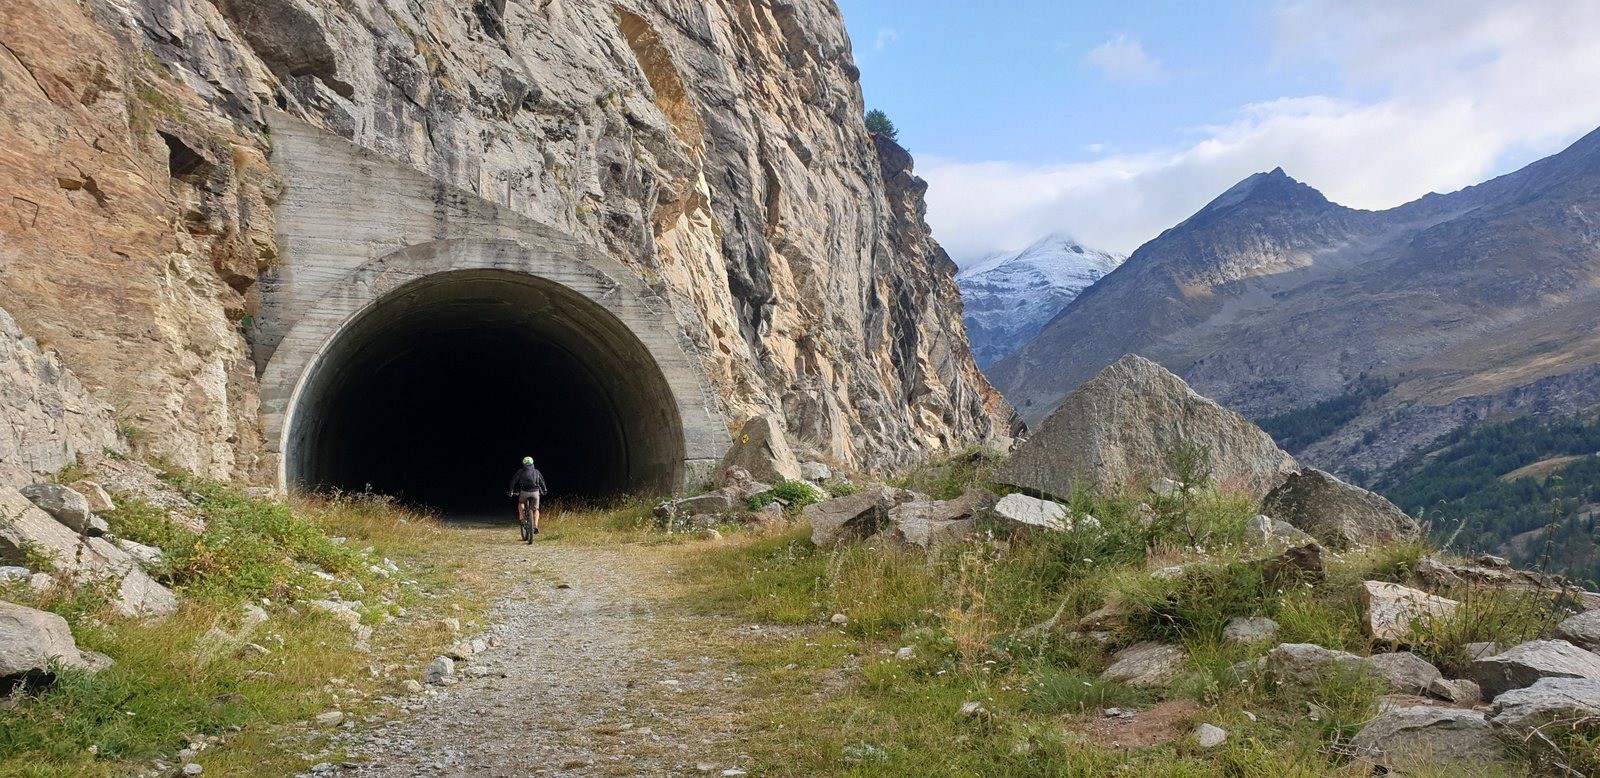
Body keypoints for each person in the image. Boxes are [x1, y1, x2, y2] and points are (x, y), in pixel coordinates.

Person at [507, 456, 548, 535]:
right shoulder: (536, 472)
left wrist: (510, 491)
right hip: (535, 492)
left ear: (523, 463)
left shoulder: (520, 471)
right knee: (536, 509)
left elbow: (513, 481)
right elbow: (542, 482)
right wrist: (544, 490)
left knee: (520, 503)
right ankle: (535, 525)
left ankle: (522, 518)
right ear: (532, 463)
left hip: (524, 492)